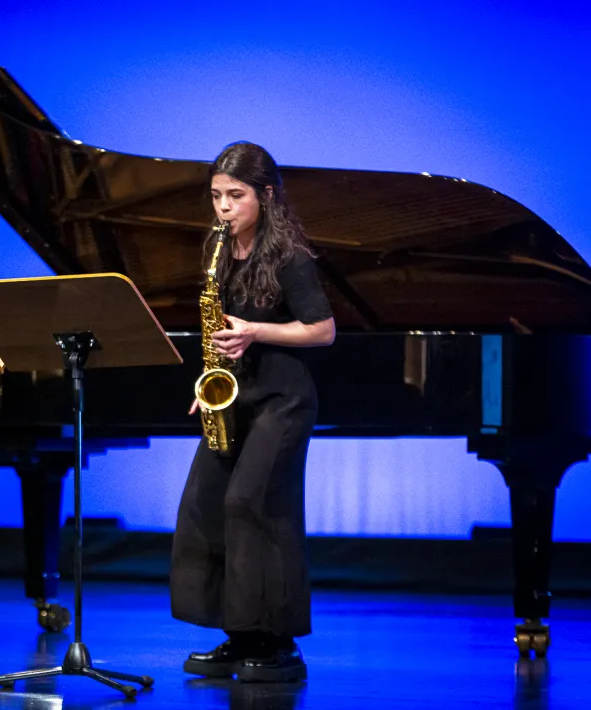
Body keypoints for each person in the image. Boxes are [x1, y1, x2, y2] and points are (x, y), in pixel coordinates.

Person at [171, 142, 336, 683]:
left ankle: (278, 641)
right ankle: (240, 633)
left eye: (235, 196)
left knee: (252, 502)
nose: (223, 207)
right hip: (236, 396)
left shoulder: (290, 256)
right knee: (205, 501)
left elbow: (323, 331)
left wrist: (256, 331)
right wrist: (210, 378)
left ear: (265, 195)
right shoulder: (219, 251)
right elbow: (221, 332)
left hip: (284, 401)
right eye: (216, 195)